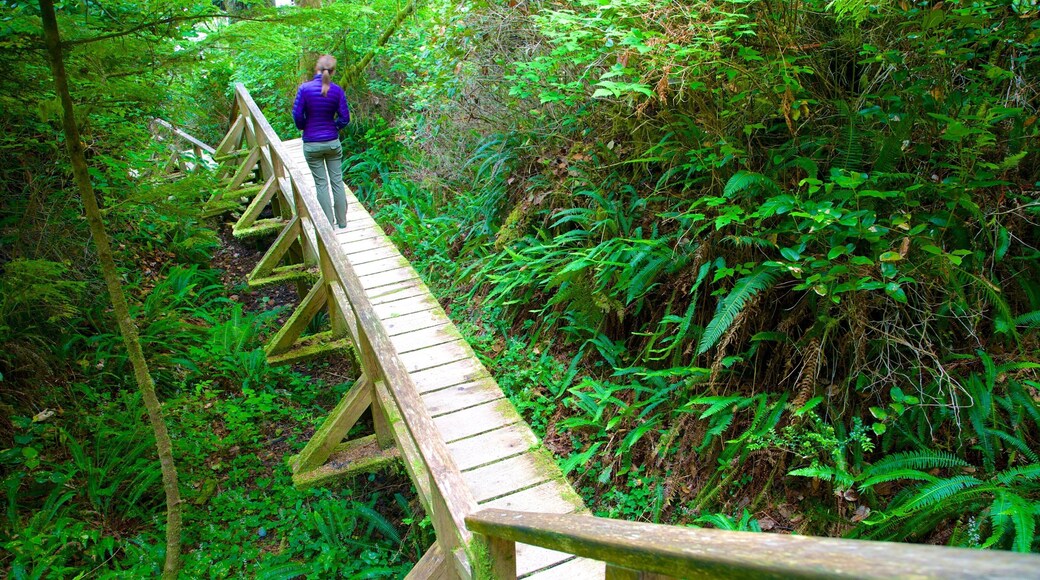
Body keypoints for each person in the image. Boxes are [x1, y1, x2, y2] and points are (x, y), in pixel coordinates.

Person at [292, 54, 350, 228]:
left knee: (321, 183)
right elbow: (345, 118)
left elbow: (297, 115)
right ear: (332, 71)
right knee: (337, 181)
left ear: (316, 68)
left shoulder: (305, 89)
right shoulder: (337, 90)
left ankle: (329, 225)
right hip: (332, 142)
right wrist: (334, 127)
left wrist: (305, 127)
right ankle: (342, 222)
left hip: (311, 144)